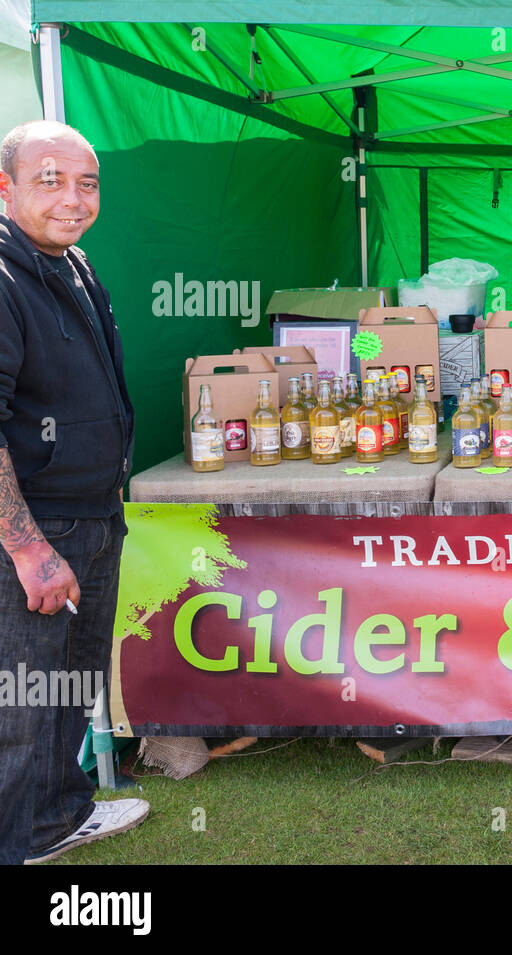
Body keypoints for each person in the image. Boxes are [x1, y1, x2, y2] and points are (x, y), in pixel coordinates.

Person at [0, 120, 146, 865]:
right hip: (37, 530)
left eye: (86, 182)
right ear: (5, 187)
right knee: (22, 702)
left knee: (73, 681)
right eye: (50, 179)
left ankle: (56, 818)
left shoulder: (75, 264)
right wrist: (28, 548)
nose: (72, 197)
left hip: (91, 516)